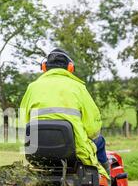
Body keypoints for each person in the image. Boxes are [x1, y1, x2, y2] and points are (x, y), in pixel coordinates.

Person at [20, 48, 111, 178]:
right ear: (70, 67)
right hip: (75, 151)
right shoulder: (78, 88)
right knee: (100, 141)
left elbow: (24, 122)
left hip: (37, 151)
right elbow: (92, 128)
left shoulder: (32, 87)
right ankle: (107, 181)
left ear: (44, 67)